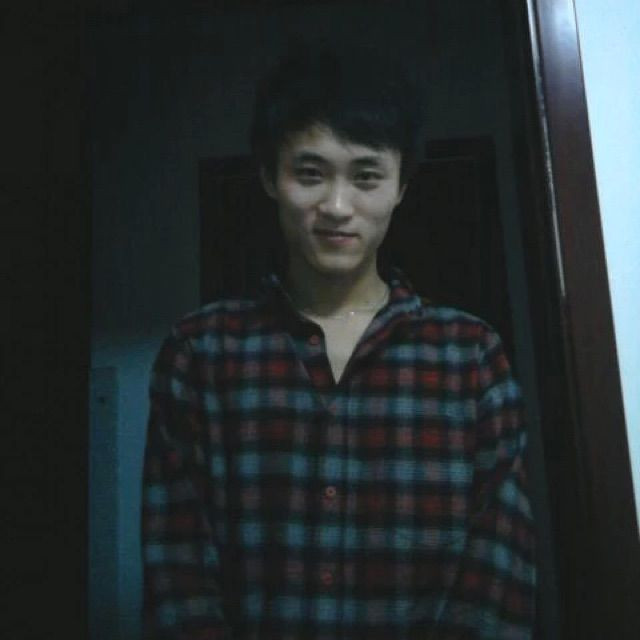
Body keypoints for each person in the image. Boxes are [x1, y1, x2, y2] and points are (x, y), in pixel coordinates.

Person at [141, 41, 536, 640]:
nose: (336, 206)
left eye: (366, 176)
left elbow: (497, 579)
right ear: (268, 176)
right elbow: (177, 577)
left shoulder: (471, 357)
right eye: (310, 174)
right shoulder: (200, 354)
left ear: (401, 186)